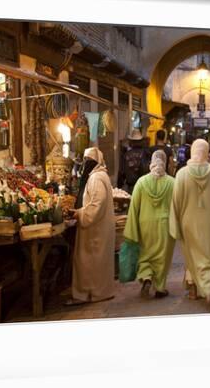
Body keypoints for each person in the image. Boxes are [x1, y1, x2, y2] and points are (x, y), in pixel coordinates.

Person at [169, 139, 210, 312]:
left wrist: (176, 223)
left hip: (189, 222)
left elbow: (176, 201)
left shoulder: (182, 174)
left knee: (192, 256)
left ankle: (194, 289)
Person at [66, 147, 115, 305]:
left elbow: (96, 205)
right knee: (95, 262)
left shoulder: (96, 178)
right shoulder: (100, 176)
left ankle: (88, 294)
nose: (85, 164)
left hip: (95, 231)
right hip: (99, 229)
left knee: (88, 262)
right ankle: (97, 292)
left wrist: (80, 214)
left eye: (88, 161)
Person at [123, 150, 176, 298]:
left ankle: (146, 277)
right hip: (165, 225)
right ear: (164, 163)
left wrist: (131, 229)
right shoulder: (172, 182)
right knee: (162, 257)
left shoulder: (141, 182)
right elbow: (177, 206)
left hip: (145, 224)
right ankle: (160, 288)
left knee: (146, 254)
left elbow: (134, 207)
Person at [117, 128, 150, 194]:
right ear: (141, 141)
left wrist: (119, 187)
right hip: (144, 185)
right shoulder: (146, 153)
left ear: (131, 141)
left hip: (131, 187)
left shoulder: (126, 155)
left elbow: (121, 172)